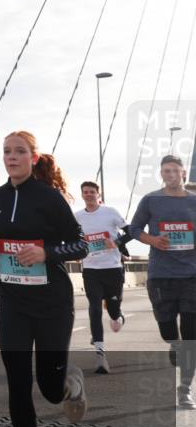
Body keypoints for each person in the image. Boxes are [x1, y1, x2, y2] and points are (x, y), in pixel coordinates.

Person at [0, 130, 90, 427]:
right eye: (7, 152)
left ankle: (69, 383)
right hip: (11, 303)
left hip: (53, 304)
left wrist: (46, 254)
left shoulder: (49, 197)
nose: (12, 157)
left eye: (19, 151)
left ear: (33, 157)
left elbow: (81, 244)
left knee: (49, 388)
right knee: (18, 384)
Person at [127, 154, 196, 410]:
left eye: (175, 171)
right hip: (161, 276)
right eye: (166, 171)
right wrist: (153, 240)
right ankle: (173, 343)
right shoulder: (151, 200)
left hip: (191, 276)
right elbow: (134, 229)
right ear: (161, 174)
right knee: (169, 332)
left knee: (191, 337)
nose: (171, 175)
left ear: (183, 174)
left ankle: (184, 390)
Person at [74, 181, 131, 374]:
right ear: (82, 195)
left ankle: (118, 315)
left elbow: (131, 232)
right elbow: (72, 239)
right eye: (85, 192)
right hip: (91, 269)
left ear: (99, 195)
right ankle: (100, 354)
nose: (89, 195)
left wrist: (116, 242)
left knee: (113, 309)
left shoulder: (110, 212)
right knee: (95, 308)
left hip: (113, 268)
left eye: (92, 192)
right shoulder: (77, 217)